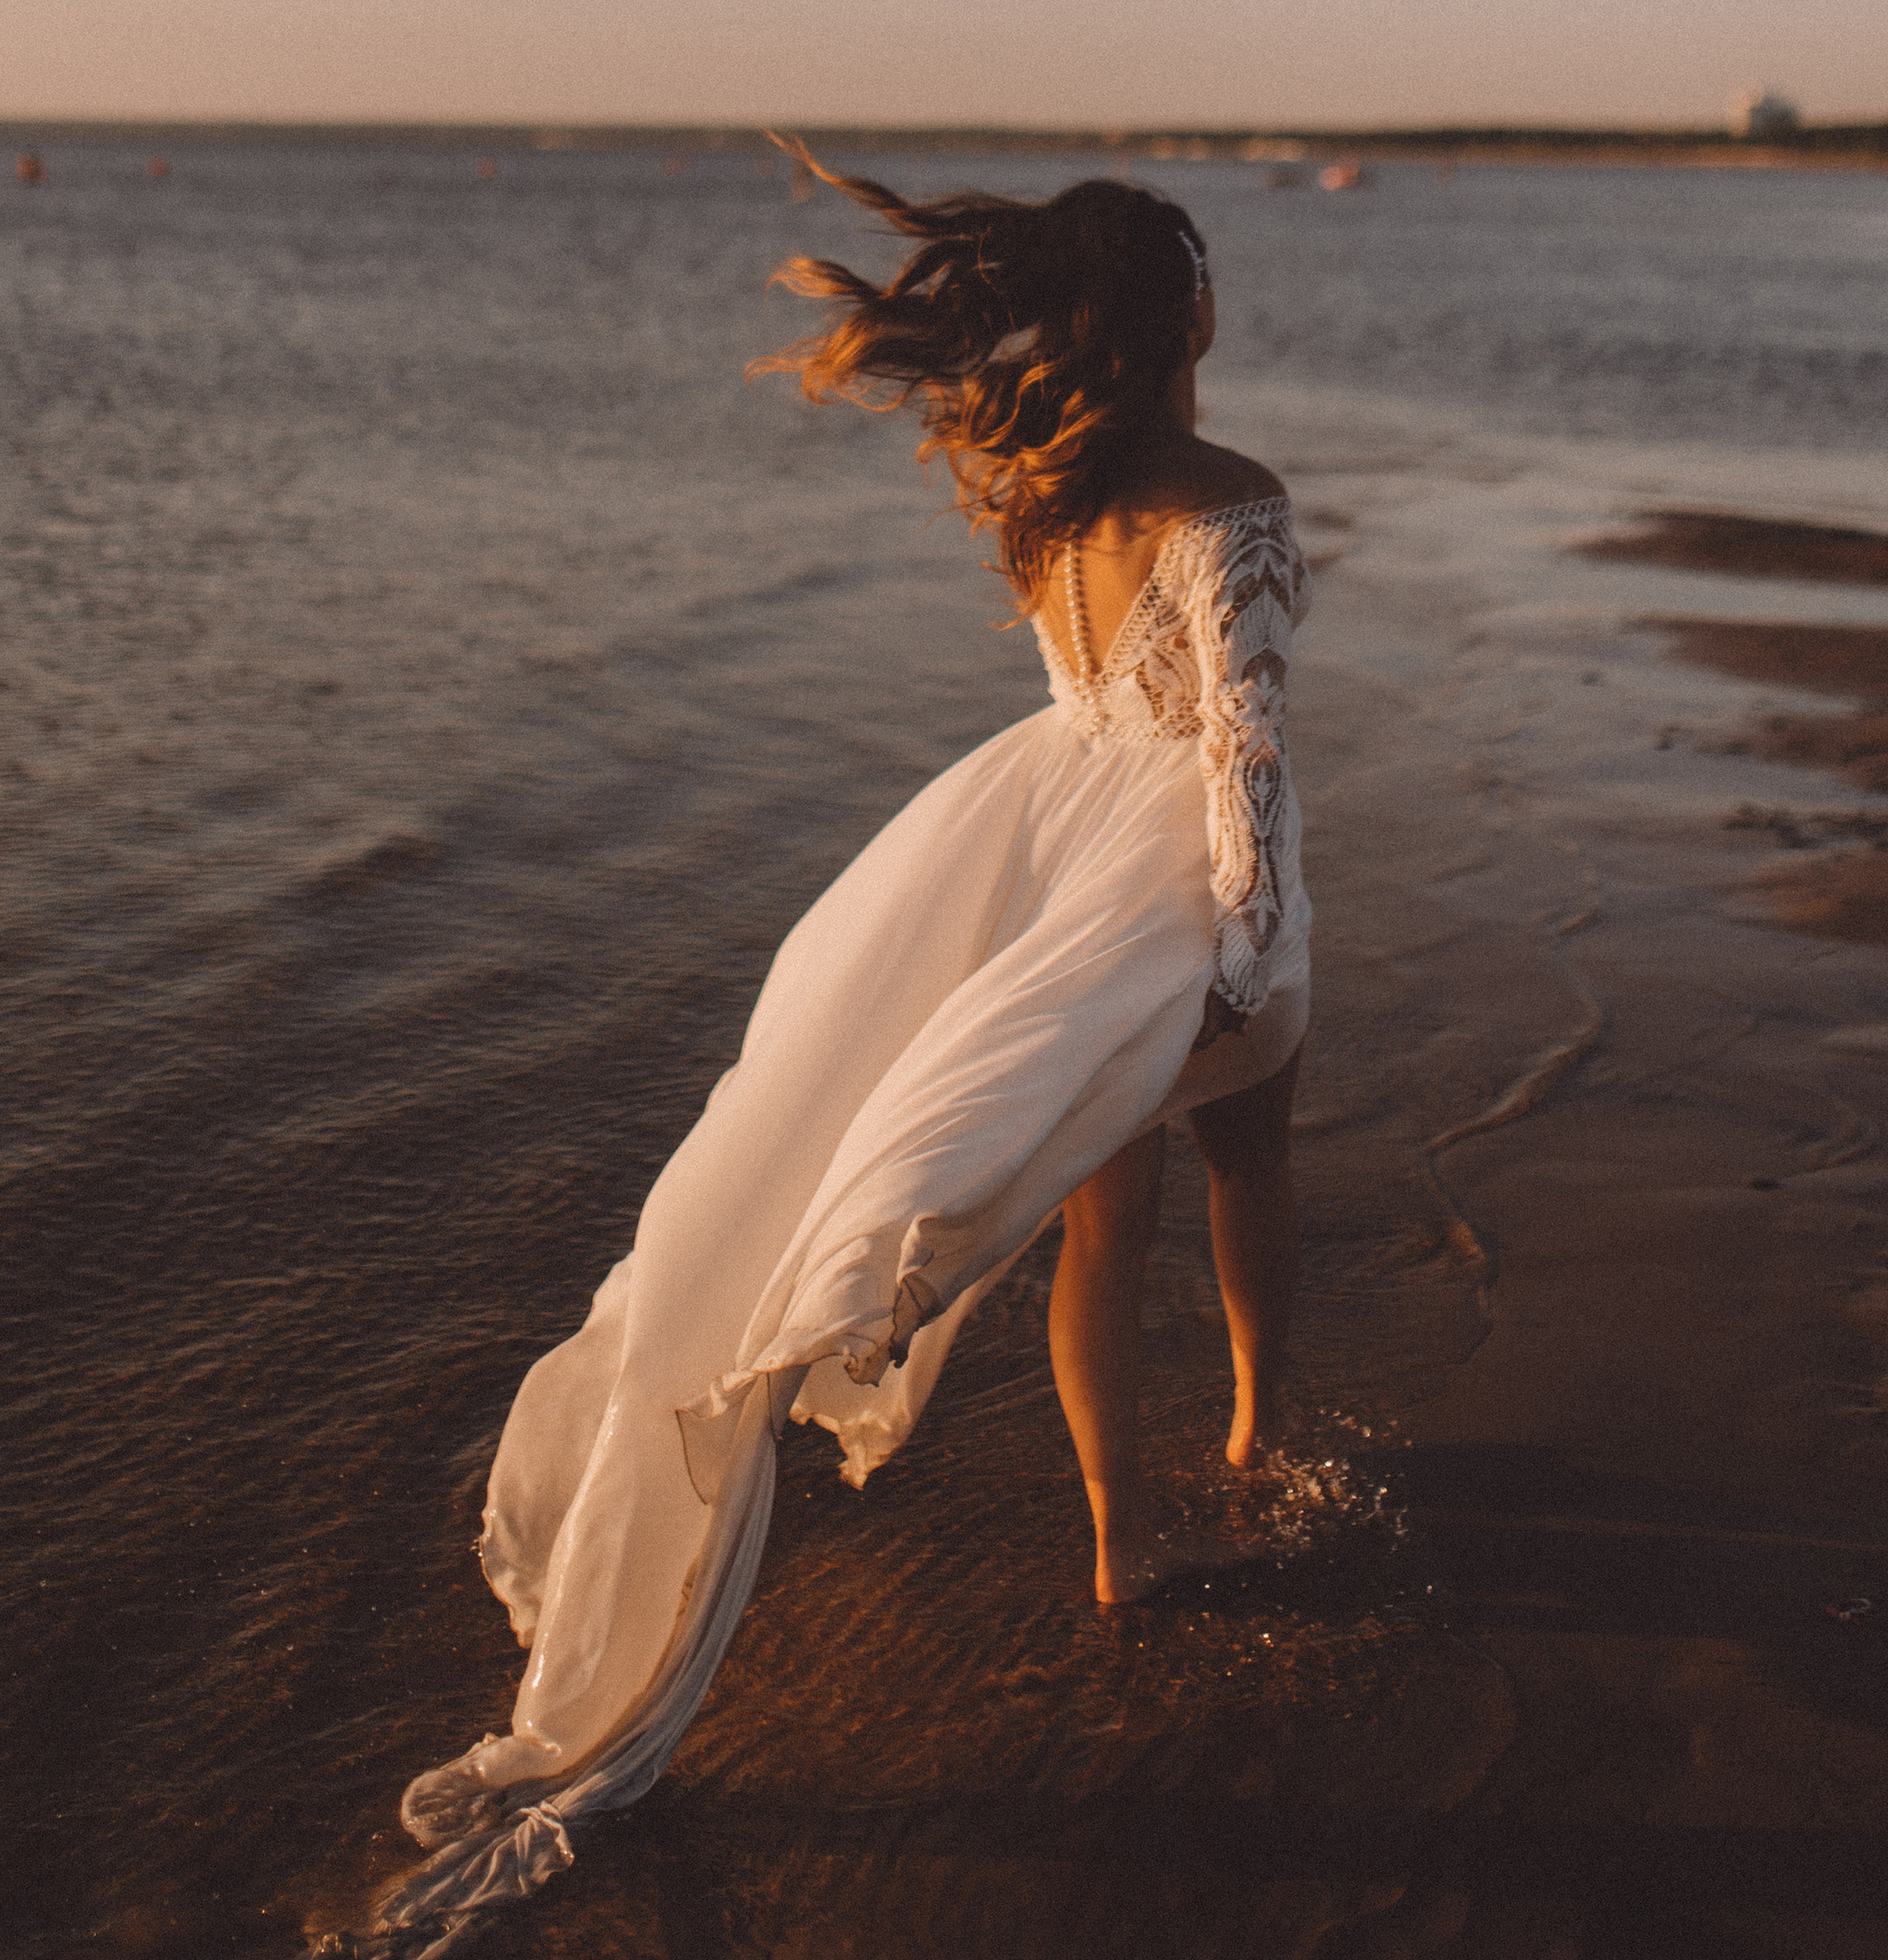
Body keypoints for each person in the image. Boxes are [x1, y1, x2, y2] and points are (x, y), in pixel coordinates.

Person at [369, 156, 1313, 1951]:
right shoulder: (1232, 501)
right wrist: (1243, 951)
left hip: (1056, 867)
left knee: (1101, 1215)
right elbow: (1245, 754)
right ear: (1189, 313)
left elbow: (1087, 706)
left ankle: (1123, 1532)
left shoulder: (1051, 499)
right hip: (1184, 878)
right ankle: (1258, 1451)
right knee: (1252, 1154)